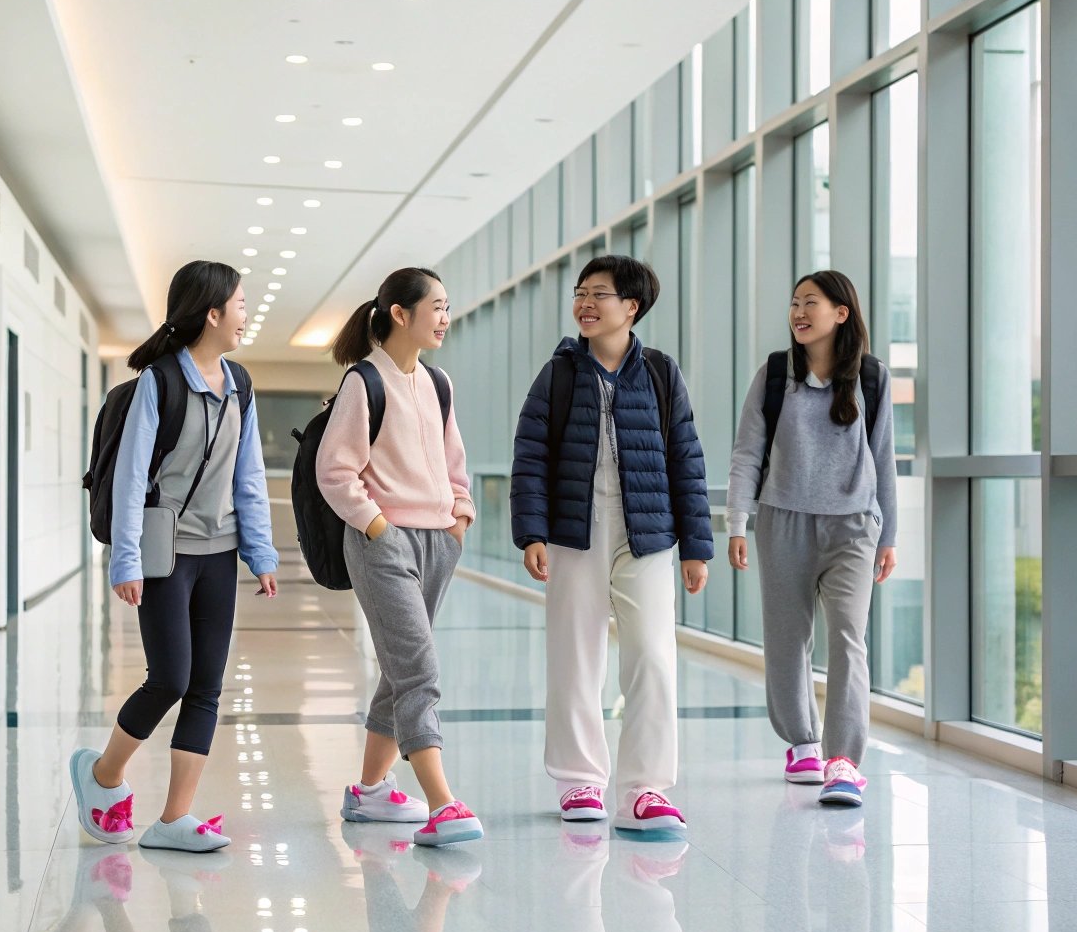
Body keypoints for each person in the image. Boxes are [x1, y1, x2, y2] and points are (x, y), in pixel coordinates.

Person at [69, 260, 278, 852]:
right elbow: (133, 477)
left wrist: (260, 552)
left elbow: (249, 473)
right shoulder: (159, 384)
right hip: (166, 554)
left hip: (220, 551)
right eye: (240, 303)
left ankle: (173, 820)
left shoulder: (239, 382)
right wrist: (124, 560)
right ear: (211, 313)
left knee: (208, 685)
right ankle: (102, 773)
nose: (245, 314)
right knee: (170, 678)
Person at [510, 254, 713, 832]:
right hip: (575, 530)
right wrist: (532, 532)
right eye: (580, 293)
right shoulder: (559, 373)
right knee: (576, 656)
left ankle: (645, 788)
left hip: (646, 532)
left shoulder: (660, 372)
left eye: (599, 293)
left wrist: (696, 546)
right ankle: (579, 782)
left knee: (652, 655)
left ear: (632, 306)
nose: (585, 303)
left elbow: (686, 458)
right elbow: (530, 456)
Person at [317, 266, 483, 847]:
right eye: (436, 306)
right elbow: (334, 470)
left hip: (439, 541)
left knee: (399, 665)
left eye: (446, 305)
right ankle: (442, 802)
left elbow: (454, 461)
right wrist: (377, 525)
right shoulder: (365, 382)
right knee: (420, 669)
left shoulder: (439, 384)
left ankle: (368, 793)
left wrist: (459, 516)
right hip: (382, 543)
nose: (445, 316)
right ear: (399, 314)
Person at [726, 269, 898, 807]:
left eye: (811, 303)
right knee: (786, 637)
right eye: (795, 303)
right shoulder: (776, 374)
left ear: (840, 313)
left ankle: (843, 758)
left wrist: (888, 533)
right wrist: (736, 522)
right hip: (783, 521)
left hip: (852, 526)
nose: (798, 312)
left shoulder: (871, 377)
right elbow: (747, 452)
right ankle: (802, 741)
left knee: (848, 636)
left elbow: (884, 457)